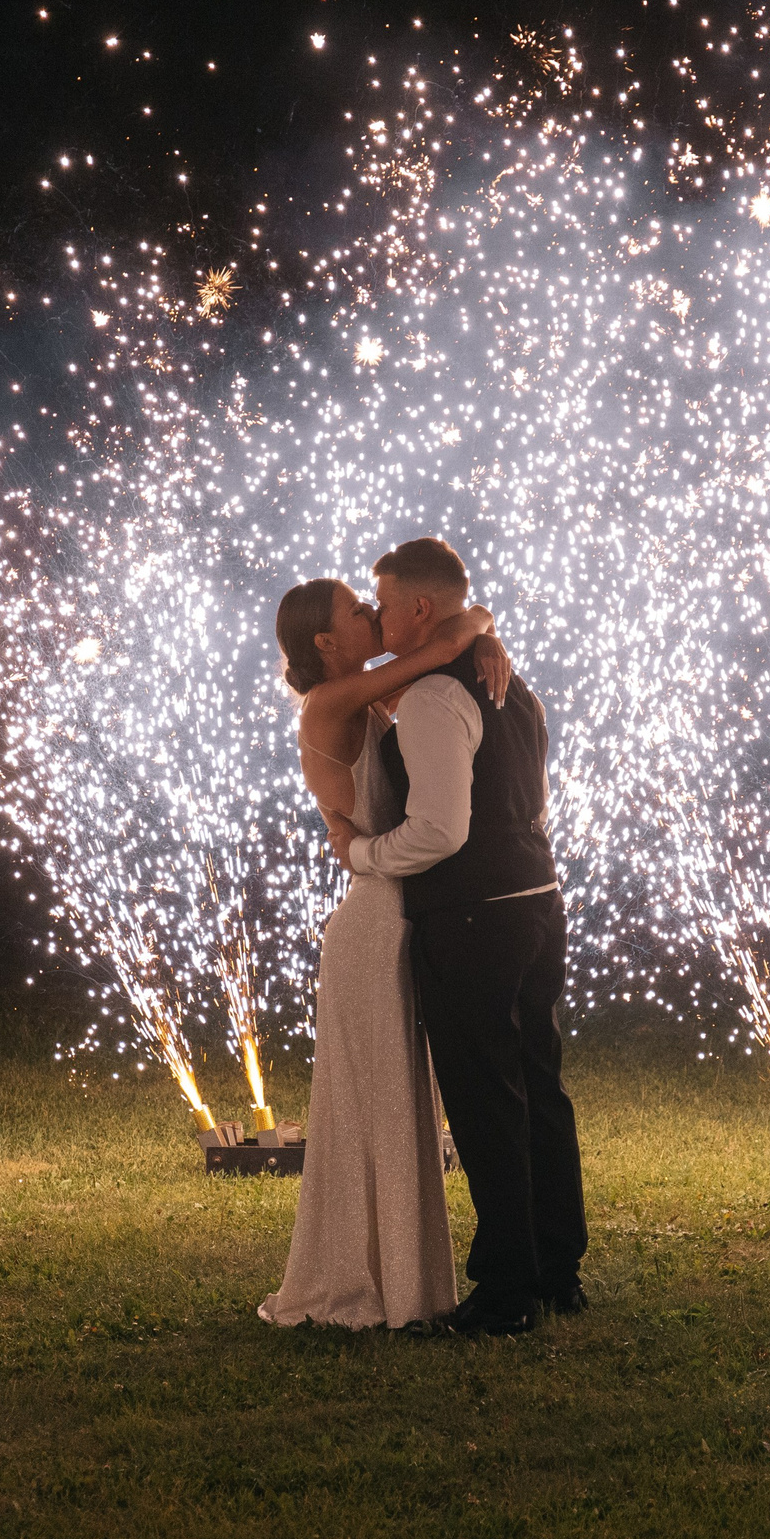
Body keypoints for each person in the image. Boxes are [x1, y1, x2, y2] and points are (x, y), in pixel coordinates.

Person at [327, 538, 585, 1338]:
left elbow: (440, 828)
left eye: (384, 599)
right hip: (538, 902)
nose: (377, 612)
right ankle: (556, 1269)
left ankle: (507, 1290)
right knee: (540, 1086)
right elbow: (532, 799)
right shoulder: (513, 685)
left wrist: (365, 855)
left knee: (486, 1100)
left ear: (421, 609)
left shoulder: (436, 697)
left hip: (474, 915)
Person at [259, 577, 510, 1329]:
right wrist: (480, 627)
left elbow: (448, 645)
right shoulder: (329, 705)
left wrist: (485, 632)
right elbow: (442, 643)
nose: (373, 615)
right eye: (357, 612)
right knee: (377, 1106)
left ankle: (402, 1281)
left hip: (400, 915)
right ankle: (370, 1285)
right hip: (375, 927)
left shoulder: (372, 700)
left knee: (400, 1104)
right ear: (327, 643)